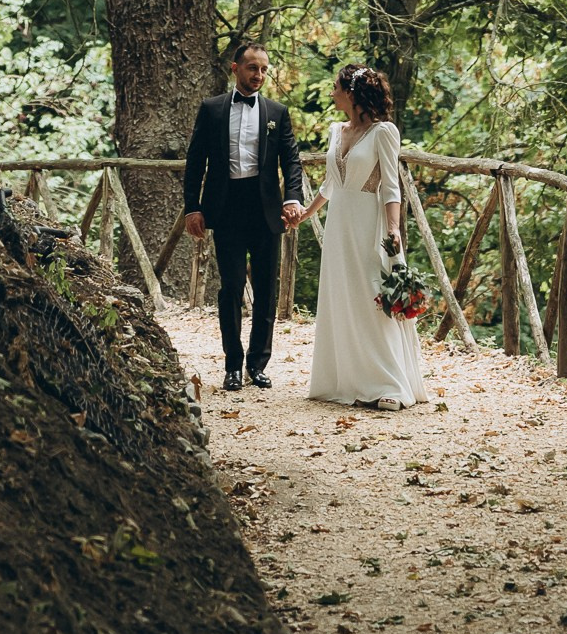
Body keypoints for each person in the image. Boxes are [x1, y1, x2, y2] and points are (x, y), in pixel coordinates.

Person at [182, 37, 306, 394]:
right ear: (235, 68)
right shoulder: (212, 108)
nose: (259, 75)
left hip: (266, 208)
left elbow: (291, 161)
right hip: (226, 206)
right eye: (253, 67)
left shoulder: (277, 112)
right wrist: (193, 206)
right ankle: (232, 365)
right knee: (231, 287)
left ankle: (258, 364)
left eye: (264, 69)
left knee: (267, 291)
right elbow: (195, 161)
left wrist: (292, 198)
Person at [300, 63, 427, 410]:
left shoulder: (384, 132)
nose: (331, 93)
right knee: (343, 296)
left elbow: (390, 185)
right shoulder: (335, 130)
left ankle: (388, 382)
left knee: (374, 296)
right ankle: (345, 379)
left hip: (368, 222)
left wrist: (391, 228)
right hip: (339, 223)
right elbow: (330, 183)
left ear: (352, 93)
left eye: (336, 88)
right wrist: (307, 214)